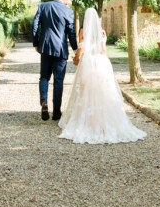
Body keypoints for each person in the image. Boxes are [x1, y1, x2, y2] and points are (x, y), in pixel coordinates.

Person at [58, 8, 147, 144]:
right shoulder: (102, 32)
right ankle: (104, 121)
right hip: (101, 62)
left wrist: (76, 58)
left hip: (88, 62)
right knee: (103, 91)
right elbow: (103, 51)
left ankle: (88, 121)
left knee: (86, 91)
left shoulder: (82, 31)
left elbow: (81, 48)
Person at [32, 0, 78, 121]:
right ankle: (56, 112)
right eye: (70, 0)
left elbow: (35, 25)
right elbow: (71, 33)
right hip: (60, 50)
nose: (70, 3)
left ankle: (44, 103)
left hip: (45, 47)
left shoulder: (43, 6)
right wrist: (75, 50)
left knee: (44, 77)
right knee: (58, 81)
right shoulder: (68, 12)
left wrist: (36, 43)